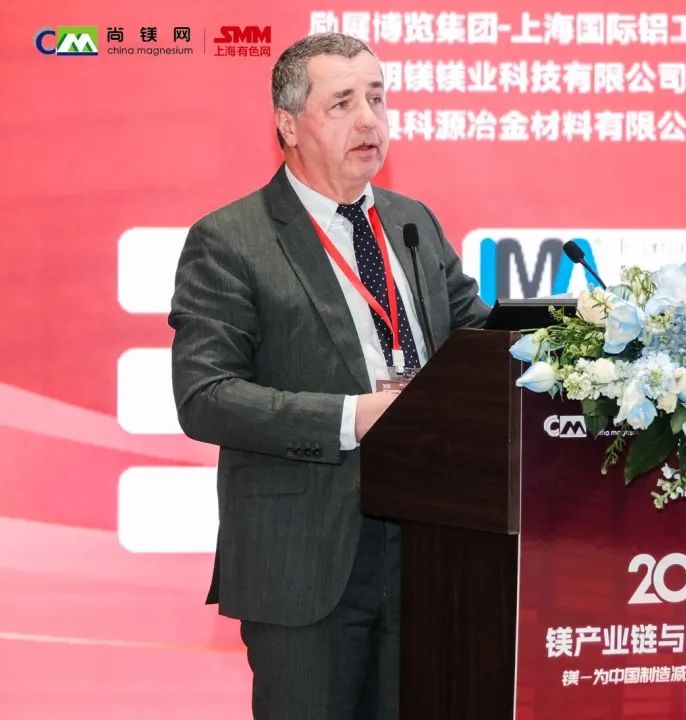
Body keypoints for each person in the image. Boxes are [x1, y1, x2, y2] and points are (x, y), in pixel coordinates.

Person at [169, 32, 489, 719]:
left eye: (377, 98)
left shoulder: (412, 223)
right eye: (342, 103)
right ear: (289, 124)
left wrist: (586, 345)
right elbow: (206, 396)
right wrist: (354, 417)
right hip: (304, 558)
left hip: (428, 546)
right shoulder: (231, 240)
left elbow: (481, 341)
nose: (369, 120)